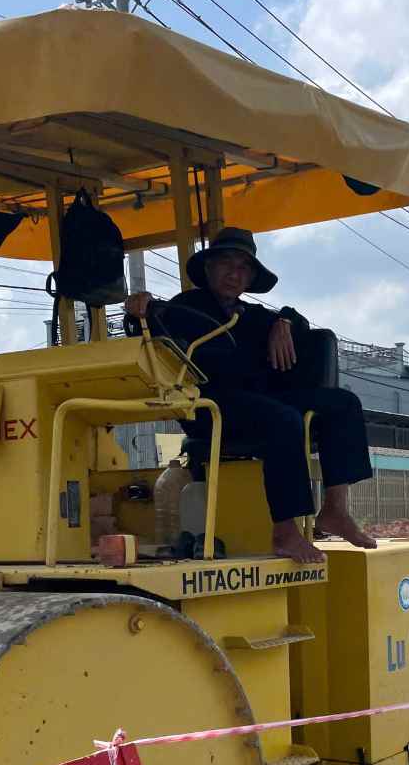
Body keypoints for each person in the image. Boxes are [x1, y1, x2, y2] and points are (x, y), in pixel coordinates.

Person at [125, 227, 375, 564]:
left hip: (260, 403)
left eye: (243, 267)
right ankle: (285, 533)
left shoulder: (253, 316)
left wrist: (284, 321)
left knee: (344, 404)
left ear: (251, 276)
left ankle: (334, 511)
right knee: (283, 420)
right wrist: (137, 307)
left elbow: (300, 323)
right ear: (209, 268)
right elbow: (147, 323)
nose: (234, 273)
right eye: (226, 263)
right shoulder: (185, 308)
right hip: (209, 406)